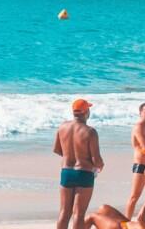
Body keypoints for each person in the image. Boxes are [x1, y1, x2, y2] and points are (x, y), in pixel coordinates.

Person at [54, 98, 104, 229]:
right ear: (86, 112)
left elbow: (57, 149)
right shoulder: (90, 131)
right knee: (79, 214)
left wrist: (70, 156)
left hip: (66, 172)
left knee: (64, 213)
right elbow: (96, 159)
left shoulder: (63, 127)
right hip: (84, 173)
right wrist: (101, 165)